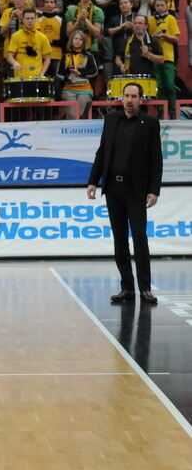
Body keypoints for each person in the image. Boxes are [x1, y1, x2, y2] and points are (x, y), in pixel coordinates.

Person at [86, 82, 161, 305]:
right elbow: (102, 153)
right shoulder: (111, 120)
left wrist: (153, 190)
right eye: (126, 96)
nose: (129, 100)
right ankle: (126, 288)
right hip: (113, 189)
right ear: (121, 98)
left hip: (136, 190)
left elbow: (156, 159)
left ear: (141, 99)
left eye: (134, 96)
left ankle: (145, 288)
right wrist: (92, 182)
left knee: (139, 237)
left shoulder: (149, 123)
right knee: (119, 240)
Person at [59, 29, 99, 117]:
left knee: (80, 114)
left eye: (80, 39)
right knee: (73, 115)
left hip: (85, 89)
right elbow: (59, 73)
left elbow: (95, 71)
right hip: (69, 89)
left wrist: (81, 73)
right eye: (75, 39)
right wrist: (67, 77)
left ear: (83, 42)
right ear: (71, 40)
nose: (78, 41)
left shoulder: (89, 55)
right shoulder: (66, 55)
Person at [6, 9, 51, 76]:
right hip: (20, 76)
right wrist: (14, 63)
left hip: (37, 76)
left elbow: (47, 59)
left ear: (36, 19)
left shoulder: (43, 37)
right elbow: (9, 56)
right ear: (23, 19)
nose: (30, 21)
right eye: (27, 18)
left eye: (32, 18)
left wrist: (42, 73)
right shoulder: (16, 36)